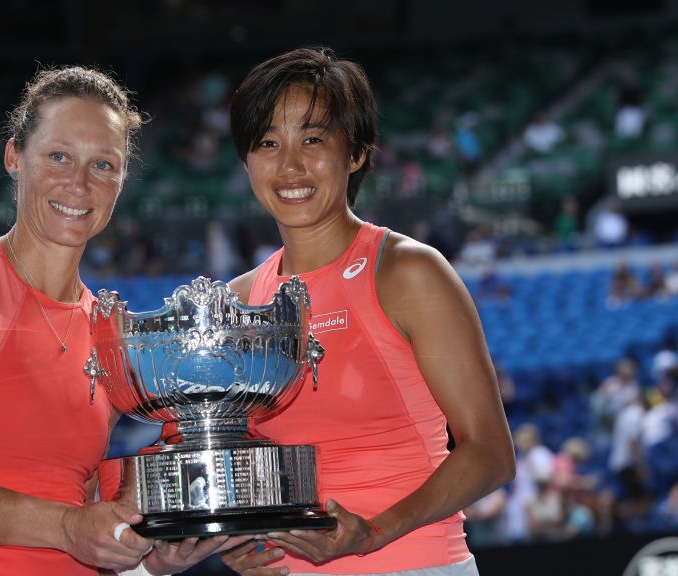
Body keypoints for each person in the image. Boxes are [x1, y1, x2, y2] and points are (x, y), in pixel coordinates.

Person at [0, 66, 243, 576]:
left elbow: (79, 512)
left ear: (121, 182)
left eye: (103, 165)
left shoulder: (110, 334)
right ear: (14, 157)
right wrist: (66, 526)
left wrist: (145, 558)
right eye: (59, 156)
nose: (79, 183)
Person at [219, 47, 515, 576]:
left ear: (355, 153)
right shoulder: (238, 300)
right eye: (267, 143)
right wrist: (241, 540)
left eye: (313, 139)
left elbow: (490, 454)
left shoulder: (407, 272)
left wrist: (374, 532)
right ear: (247, 162)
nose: (289, 165)